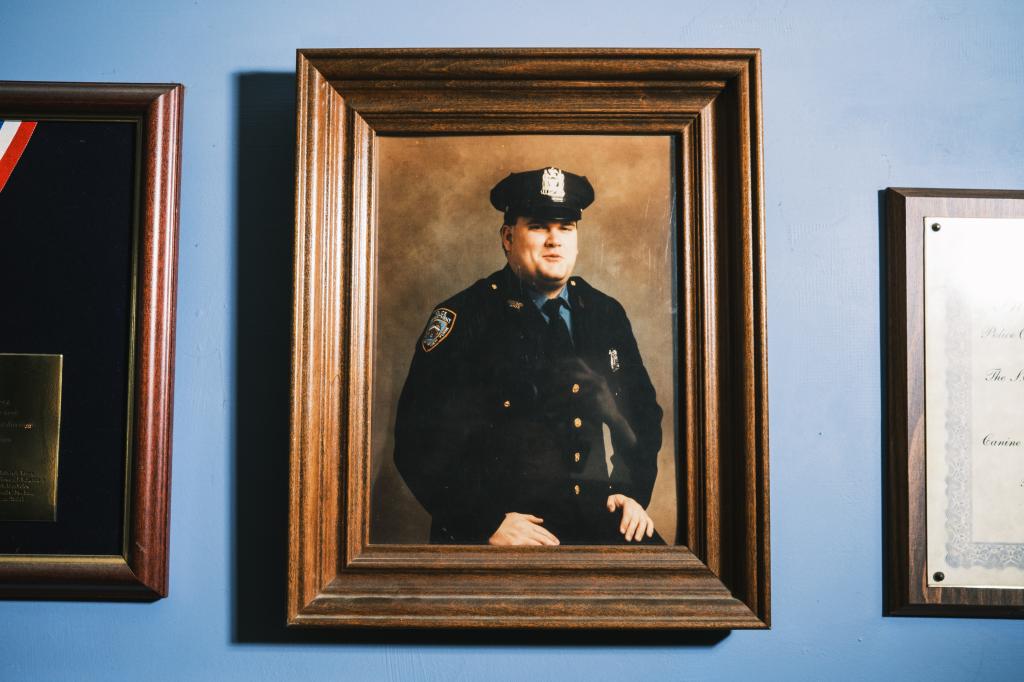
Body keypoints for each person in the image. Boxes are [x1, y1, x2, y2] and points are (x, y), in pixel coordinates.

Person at [394, 167, 664, 545]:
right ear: (508, 237)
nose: (555, 240)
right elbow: (415, 442)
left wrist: (631, 491)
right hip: (504, 526)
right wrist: (484, 523)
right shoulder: (466, 317)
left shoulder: (604, 313)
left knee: (670, 593)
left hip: (593, 516)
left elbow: (642, 413)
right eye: (538, 226)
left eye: (565, 228)